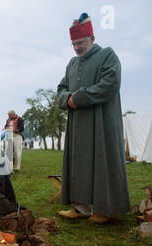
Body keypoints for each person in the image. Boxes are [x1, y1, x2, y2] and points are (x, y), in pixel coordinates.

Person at [56, 13, 130, 224]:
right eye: (73, 44)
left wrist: (79, 97)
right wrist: (66, 98)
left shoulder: (107, 55)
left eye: (80, 42)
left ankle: (103, 210)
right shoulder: (71, 64)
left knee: (102, 162)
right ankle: (80, 208)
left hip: (102, 124)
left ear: (92, 39)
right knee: (79, 162)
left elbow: (110, 83)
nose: (77, 47)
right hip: (78, 126)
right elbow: (61, 88)